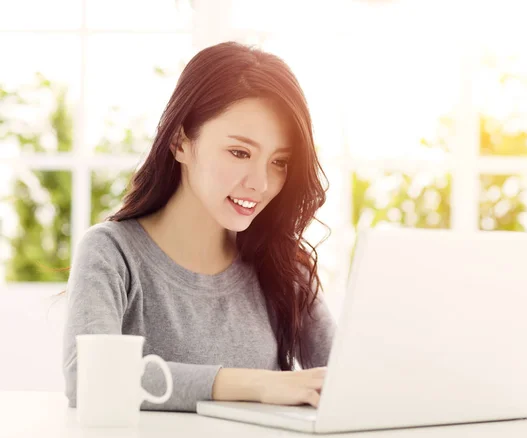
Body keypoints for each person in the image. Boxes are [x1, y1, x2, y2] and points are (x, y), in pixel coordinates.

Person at [62, 41, 336, 413]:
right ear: (180, 142)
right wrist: (258, 384)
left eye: (279, 161)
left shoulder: (285, 266)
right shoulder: (111, 253)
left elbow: (348, 378)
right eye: (240, 153)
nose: (261, 183)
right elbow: (89, 378)